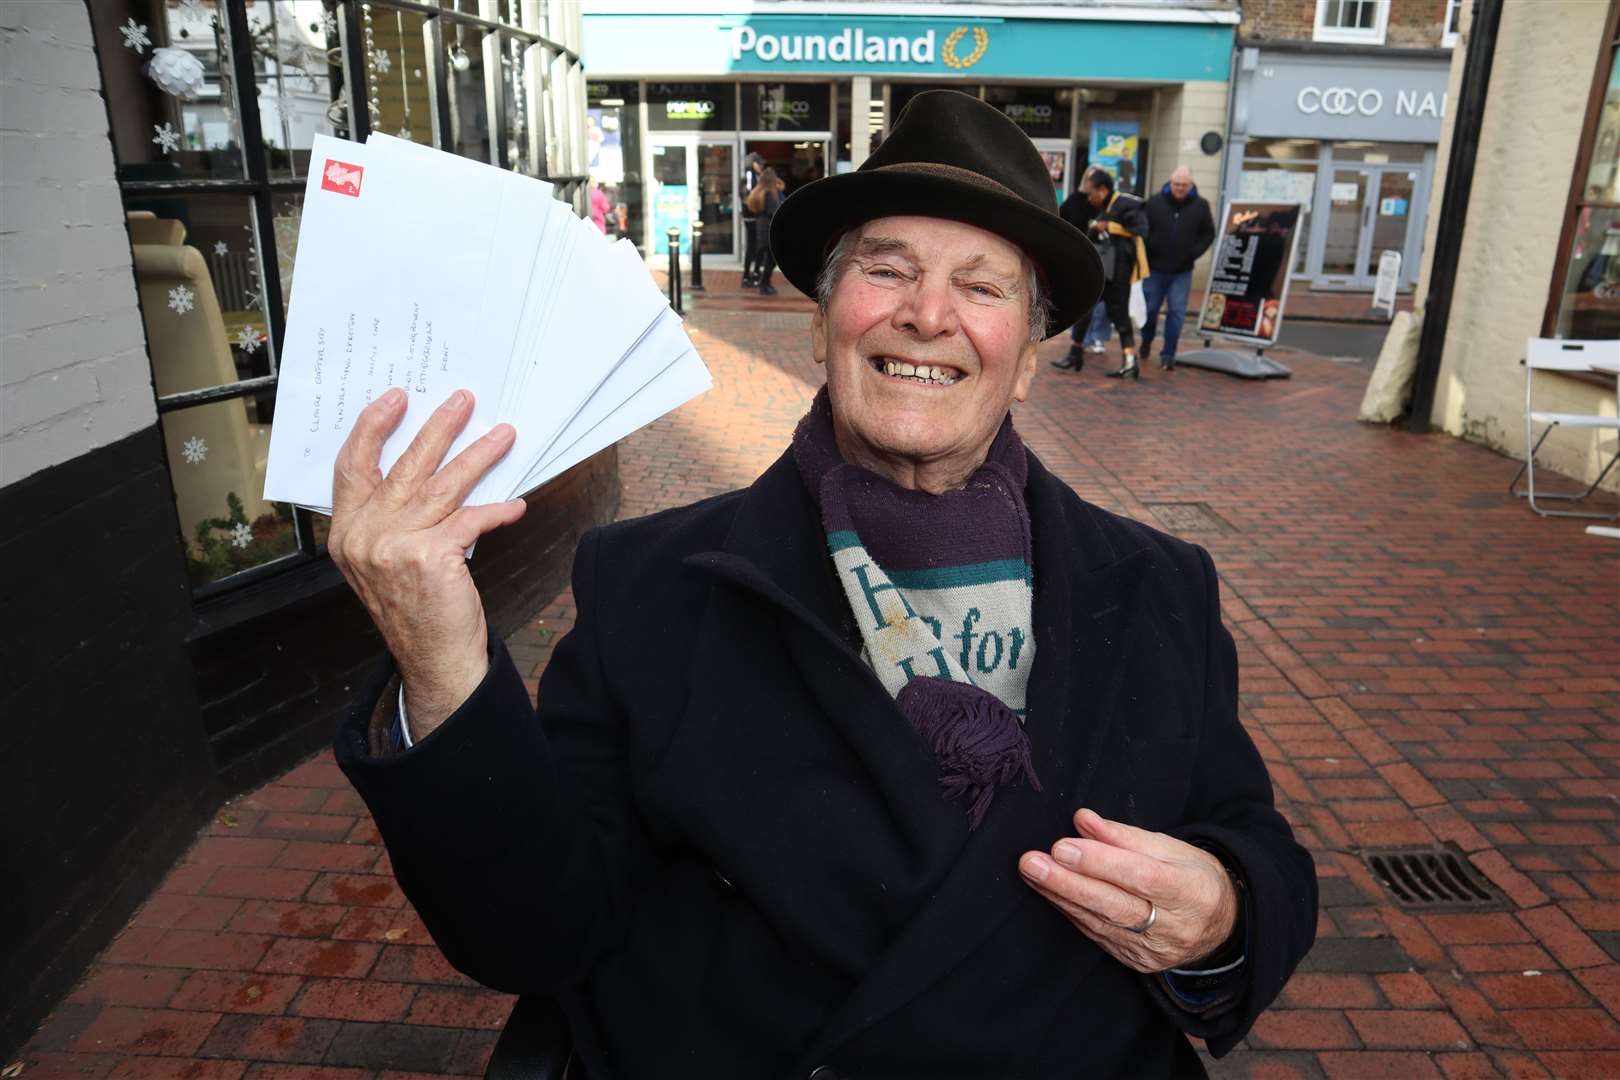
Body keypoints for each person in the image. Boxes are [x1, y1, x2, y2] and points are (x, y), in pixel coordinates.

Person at [330, 89, 1316, 1078]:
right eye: (888, 270)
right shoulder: (650, 584)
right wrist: (442, 659)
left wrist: (1221, 913)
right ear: (821, 324)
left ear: (1026, 362)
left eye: (982, 288)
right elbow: (534, 934)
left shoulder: (1156, 587)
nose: (927, 314)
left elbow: (1249, 844)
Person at [1141, 165, 1216, 370]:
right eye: (1176, 184)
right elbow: (1142, 229)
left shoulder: (1201, 206)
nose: (1180, 188)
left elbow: (1208, 234)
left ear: (1190, 185)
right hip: (1154, 269)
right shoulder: (1155, 202)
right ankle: (1146, 341)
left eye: (1184, 185)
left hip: (1181, 271)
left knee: (1176, 312)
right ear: (1170, 183)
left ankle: (1168, 353)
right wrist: (1147, 250)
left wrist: (1194, 253)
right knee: (1150, 310)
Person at [1082, 168, 1151, 380]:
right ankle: (1076, 352)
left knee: (1120, 314)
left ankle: (1130, 363)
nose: (1088, 197)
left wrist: (1108, 226)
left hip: (1121, 271)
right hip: (1107, 269)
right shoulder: (1107, 206)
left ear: (1102, 190)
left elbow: (1141, 229)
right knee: (1088, 307)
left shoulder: (1127, 204)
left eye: (1090, 192)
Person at [1053, 166, 1113, 372]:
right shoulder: (1075, 200)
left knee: (1114, 311)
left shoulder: (1111, 205)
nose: (1089, 186)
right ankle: (1076, 352)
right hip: (1081, 260)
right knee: (1086, 307)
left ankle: (1125, 354)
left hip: (1106, 264)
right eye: (1087, 179)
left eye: (1093, 182)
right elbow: (1060, 220)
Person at [753, 166, 786, 296]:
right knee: (771, 259)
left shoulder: (760, 191)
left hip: (763, 227)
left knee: (769, 259)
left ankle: (765, 282)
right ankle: (764, 283)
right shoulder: (769, 193)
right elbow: (775, 211)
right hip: (769, 229)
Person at [739, 151, 765, 288]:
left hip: (753, 216)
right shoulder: (749, 175)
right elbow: (748, 195)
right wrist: (755, 207)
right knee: (752, 246)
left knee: (755, 245)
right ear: (753, 163)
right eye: (759, 163)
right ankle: (746, 276)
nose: (761, 165)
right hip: (751, 217)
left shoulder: (755, 175)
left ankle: (753, 273)